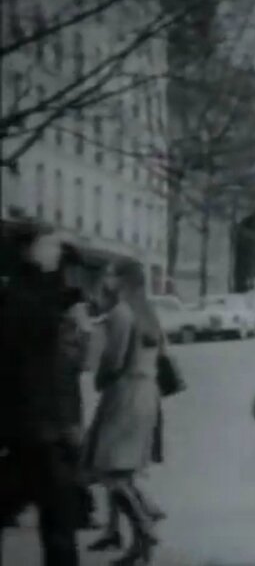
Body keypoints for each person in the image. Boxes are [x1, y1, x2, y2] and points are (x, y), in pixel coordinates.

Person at [0, 224, 81, 566]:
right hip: (33, 428)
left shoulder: (39, 293)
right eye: (49, 245)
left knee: (58, 521)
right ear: (28, 250)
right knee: (58, 520)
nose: (56, 251)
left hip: (39, 428)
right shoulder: (22, 299)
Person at [82, 260, 164, 565]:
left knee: (109, 470)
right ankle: (140, 544)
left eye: (110, 274)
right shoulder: (148, 312)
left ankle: (144, 524)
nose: (106, 279)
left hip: (125, 394)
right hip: (147, 393)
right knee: (123, 471)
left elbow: (113, 360)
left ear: (122, 280)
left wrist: (99, 377)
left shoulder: (120, 313)